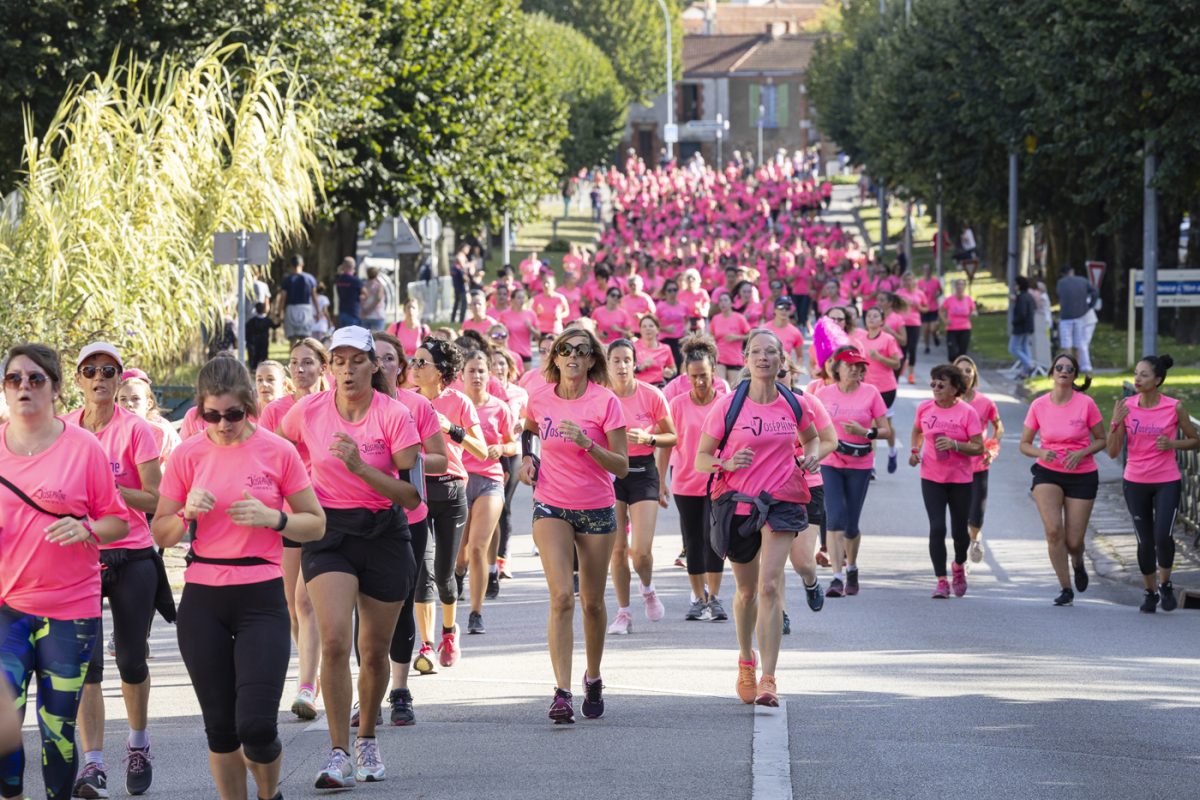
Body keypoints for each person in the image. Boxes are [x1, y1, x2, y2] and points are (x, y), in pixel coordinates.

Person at [151, 357, 325, 800]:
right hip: (203, 600)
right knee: (222, 729)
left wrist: (275, 518)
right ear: (200, 410)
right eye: (211, 415)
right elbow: (160, 533)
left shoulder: (277, 450)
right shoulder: (188, 453)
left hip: (261, 596)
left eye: (233, 414)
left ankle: (269, 795)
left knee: (258, 728)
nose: (223, 424)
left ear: (249, 406)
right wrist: (185, 513)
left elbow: (316, 523)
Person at [278, 326, 422, 788]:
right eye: (338, 362)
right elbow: (276, 445)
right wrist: (294, 490)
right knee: (336, 641)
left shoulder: (395, 415)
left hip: (384, 532)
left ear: (373, 365)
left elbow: (412, 495)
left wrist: (359, 466)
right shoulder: (309, 410)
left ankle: (366, 739)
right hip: (329, 532)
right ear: (329, 368)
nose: (347, 370)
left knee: (374, 651)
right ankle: (338, 752)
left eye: (357, 361)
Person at [0, 343, 128, 800]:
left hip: (70, 610)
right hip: (7, 608)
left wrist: (87, 528)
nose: (24, 386)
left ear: (55, 388)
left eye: (36, 378)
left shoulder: (83, 448)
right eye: (14, 378)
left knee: (56, 728)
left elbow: (118, 521)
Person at [695, 330, 824, 707]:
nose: (763, 358)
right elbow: (701, 459)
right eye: (756, 352)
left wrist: (811, 456)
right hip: (738, 504)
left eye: (771, 352)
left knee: (769, 586)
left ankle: (769, 679)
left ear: (782, 359)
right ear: (746, 359)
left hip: (782, 501)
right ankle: (745, 661)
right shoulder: (728, 406)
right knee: (748, 592)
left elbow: (812, 438)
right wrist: (726, 462)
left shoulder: (793, 403)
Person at [66, 343, 166, 799]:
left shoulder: (136, 430)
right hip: (80, 555)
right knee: (87, 666)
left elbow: (156, 499)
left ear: (119, 378)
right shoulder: (64, 428)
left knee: (130, 659)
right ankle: (93, 763)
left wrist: (111, 490)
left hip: (131, 553)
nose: (100, 378)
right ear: (79, 379)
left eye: (109, 371)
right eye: (91, 370)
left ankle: (138, 744)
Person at [518, 328, 628, 723]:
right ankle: (562, 692)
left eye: (582, 351)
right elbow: (529, 430)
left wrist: (588, 443)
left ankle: (593, 677)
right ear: (556, 357)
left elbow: (622, 465)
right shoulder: (540, 397)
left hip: (596, 507)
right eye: (565, 350)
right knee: (562, 596)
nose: (573, 357)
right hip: (551, 504)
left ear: (592, 359)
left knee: (592, 603)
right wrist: (527, 460)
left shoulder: (605, 401)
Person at [369, 331, 448, 727]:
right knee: (365, 610)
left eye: (390, 358)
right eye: (376, 357)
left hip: (408, 518)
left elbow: (440, 460)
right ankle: (367, 691)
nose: (382, 364)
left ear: (400, 366)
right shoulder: (348, 407)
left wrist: (407, 455)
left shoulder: (416, 405)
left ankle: (399, 690)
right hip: (361, 518)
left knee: (400, 603)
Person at [258, 338, 329, 721]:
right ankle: (311, 672)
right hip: (286, 514)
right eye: (296, 363)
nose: (301, 370)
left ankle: (306, 685)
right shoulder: (275, 411)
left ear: (322, 367)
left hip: (324, 511)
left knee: (306, 600)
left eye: (308, 363)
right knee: (291, 604)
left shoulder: (332, 404)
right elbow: (264, 457)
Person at [408, 339, 487, 673]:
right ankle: (426, 645)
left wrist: (451, 428)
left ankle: (449, 633)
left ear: (440, 371)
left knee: (443, 574)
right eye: (413, 360)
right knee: (422, 572)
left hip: (451, 491)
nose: (414, 367)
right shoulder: (405, 400)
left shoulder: (459, 401)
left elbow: (482, 450)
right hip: (417, 491)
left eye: (421, 362)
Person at [1106, 354, 1199, 613]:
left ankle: (1165, 584)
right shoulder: (1126, 406)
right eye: (1136, 373)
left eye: (1144, 375)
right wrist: (1115, 421)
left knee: (1163, 536)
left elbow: (1195, 440)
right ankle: (1150, 592)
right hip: (1135, 481)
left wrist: (1172, 444)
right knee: (1145, 541)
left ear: (1157, 380)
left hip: (1166, 480)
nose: (1137, 379)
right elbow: (1112, 452)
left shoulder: (1174, 407)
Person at [1018, 352, 1105, 606]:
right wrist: (1041, 452)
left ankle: (1077, 561)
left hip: (1082, 475)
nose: (1064, 371)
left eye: (1069, 368)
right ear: (1052, 372)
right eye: (1059, 367)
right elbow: (1024, 444)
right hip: (1048, 472)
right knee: (1054, 531)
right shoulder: (1039, 405)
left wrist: (1081, 453)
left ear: (1075, 375)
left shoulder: (1086, 404)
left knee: (1074, 542)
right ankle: (1066, 588)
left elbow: (1102, 439)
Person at [605, 339, 676, 635]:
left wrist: (649, 439)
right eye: (616, 360)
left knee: (641, 552)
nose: (622, 366)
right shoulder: (601, 396)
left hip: (643, 472)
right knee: (617, 550)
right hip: (612, 473)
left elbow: (672, 436)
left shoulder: (651, 395)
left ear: (635, 363)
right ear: (608, 364)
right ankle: (623, 612)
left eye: (627, 360)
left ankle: (647, 589)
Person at [814, 348, 890, 597]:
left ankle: (852, 567)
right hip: (831, 463)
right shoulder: (824, 394)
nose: (856, 370)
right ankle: (837, 577)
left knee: (851, 525)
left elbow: (886, 430)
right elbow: (812, 426)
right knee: (835, 518)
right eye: (850, 365)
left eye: (859, 366)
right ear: (837, 368)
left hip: (860, 464)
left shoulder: (871, 393)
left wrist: (864, 432)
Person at [665, 336, 729, 621]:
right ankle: (698, 599)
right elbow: (667, 442)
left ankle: (714, 598)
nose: (700, 381)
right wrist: (659, 480)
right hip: (685, 481)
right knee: (692, 540)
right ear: (686, 375)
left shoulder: (724, 403)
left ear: (713, 371)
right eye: (694, 376)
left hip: (717, 481)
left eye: (704, 375)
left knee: (713, 539)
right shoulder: (677, 404)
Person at [909, 364, 986, 598]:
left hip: (960, 479)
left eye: (941, 385)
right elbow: (917, 431)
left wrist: (955, 445)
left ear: (954, 388)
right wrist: (915, 451)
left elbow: (978, 447)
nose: (935, 388)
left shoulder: (967, 412)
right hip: (931, 477)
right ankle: (941, 581)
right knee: (937, 528)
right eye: (933, 383)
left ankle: (959, 565)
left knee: (960, 532)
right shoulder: (924, 408)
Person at [454, 350, 515, 634]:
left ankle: (475, 613)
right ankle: (458, 573)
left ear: (489, 375)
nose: (477, 376)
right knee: (460, 554)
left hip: (490, 479)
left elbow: (513, 444)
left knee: (478, 546)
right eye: (471, 371)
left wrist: (501, 448)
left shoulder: (499, 408)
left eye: (481, 371)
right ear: (461, 375)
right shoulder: (454, 406)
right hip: (459, 480)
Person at [953, 356, 1003, 563]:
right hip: (954, 467)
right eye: (960, 370)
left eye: (969, 370)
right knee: (960, 515)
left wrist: (992, 448)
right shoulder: (948, 401)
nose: (965, 374)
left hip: (978, 465)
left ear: (974, 375)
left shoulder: (985, 403)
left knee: (976, 515)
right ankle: (962, 559)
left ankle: (974, 539)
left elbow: (998, 427)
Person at [855, 307, 904, 473]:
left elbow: (896, 363)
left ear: (882, 321)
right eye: (869, 315)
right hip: (867, 389)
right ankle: (872, 464)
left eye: (875, 316)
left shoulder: (888, 339)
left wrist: (880, 358)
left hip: (886, 388)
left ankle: (892, 451)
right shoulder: (860, 339)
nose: (871, 318)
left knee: (886, 426)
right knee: (872, 424)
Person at [117, 370, 183, 465]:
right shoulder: (110, 431)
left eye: (135, 398)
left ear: (148, 403)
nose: (129, 404)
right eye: (123, 399)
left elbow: (180, 463)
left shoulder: (161, 431)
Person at [1056, 266, 1098, 375]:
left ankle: (1068, 368)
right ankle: (1076, 368)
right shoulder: (1083, 281)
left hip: (1065, 317)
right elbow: (1095, 292)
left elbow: (1059, 295)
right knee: (1078, 344)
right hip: (1080, 316)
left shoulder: (1061, 283)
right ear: (1072, 271)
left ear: (1062, 274)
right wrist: (1090, 306)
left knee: (1066, 345)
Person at [275, 255, 319, 344]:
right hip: (306, 309)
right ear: (302, 264)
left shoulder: (287, 279)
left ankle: (293, 353)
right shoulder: (310, 278)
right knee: (306, 338)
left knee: (292, 338)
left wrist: (279, 313)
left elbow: (283, 298)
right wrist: (318, 311)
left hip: (291, 309)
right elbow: (314, 296)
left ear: (291, 265)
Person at [709, 293, 751, 385]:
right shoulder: (715, 318)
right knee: (721, 385)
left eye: (725, 300)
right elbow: (711, 336)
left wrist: (737, 337)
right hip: (719, 357)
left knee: (733, 388)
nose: (723, 303)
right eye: (720, 301)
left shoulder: (739, 318)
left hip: (735, 358)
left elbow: (751, 335)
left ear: (732, 303)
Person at [633, 315, 676, 387]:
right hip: (640, 386)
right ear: (640, 330)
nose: (647, 329)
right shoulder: (633, 347)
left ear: (657, 329)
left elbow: (673, 368)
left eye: (651, 326)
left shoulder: (665, 348)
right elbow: (627, 370)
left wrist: (671, 373)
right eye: (644, 326)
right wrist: (640, 368)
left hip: (659, 386)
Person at [941, 279, 977, 361]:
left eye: (961, 285)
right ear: (955, 287)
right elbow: (941, 311)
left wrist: (973, 313)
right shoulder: (949, 299)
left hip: (965, 329)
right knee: (952, 354)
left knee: (962, 354)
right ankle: (953, 366)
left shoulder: (968, 299)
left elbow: (974, 310)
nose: (959, 287)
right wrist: (945, 320)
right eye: (958, 285)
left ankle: (959, 368)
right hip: (952, 329)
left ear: (964, 287)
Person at [1009, 276, 1036, 378]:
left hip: (1020, 327)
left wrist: (1014, 322)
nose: (1014, 286)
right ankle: (1025, 372)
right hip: (1028, 327)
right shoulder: (1028, 296)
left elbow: (1022, 313)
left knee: (1013, 348)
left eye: (1016, 284)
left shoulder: (1021, 297)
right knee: (1025, 347)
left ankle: (1029, 364)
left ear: (1019, 285)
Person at [333, 257, 365, 329]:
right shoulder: (355, 281)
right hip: (353, 312)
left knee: (345, 333)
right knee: (354, 333)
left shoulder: (338, 280)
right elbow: (365, 293)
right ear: (353, 267)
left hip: (342, 311)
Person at [245, 303, 278, 371]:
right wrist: (279, 319)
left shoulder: (252, 321)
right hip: (264, 341)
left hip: (255, 341)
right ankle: (264, 368)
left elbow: (247, 330)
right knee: (264, 355)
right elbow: (274, 326)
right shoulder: (267, 320)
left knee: (255, 355)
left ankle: (254, 368)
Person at [361, 267, 392, 332]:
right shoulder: (379, 286)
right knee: (378, 336)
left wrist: (365, 311)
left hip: (364, 315)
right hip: (378, 316)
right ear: (377, 274)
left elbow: (361, 299)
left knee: (365, 337)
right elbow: (378, 298)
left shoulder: (363, 285)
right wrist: (370, 309)